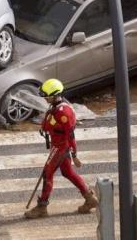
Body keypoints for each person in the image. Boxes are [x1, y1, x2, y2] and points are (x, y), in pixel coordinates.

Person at [24, 79, 99, 219]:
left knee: (47, 174)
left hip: (60, 147)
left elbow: (70, 134)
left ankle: (42, 207)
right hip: (56, 145)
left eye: (47, 96)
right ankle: (90, 198)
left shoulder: (63, 112)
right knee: (68, 172)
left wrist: (75, 154)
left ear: (56, 94)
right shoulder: (55, 105)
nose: (45, 99)